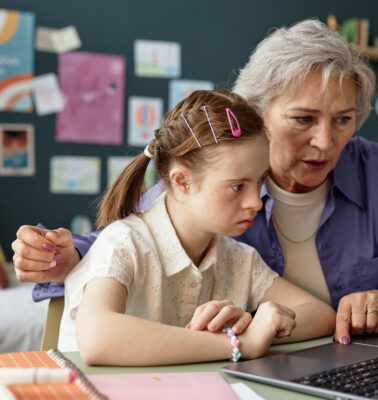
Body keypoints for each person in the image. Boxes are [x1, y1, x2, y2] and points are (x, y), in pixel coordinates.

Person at [12, 19, 378, 348]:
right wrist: (66, 256)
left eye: (344, 120)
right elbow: (144, 235)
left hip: (361, 366)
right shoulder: (219, 183)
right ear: (256, 112)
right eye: (303, 119)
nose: (325, 141)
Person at [55, 90, 335, 366]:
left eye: (260, 181)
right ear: (182, 182)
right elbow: (97, 339)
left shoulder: (239, 258)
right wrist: (240, 344)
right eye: (237, 186)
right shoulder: (124, 242)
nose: (255, 202)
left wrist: (256, 328)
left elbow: (321, 315)